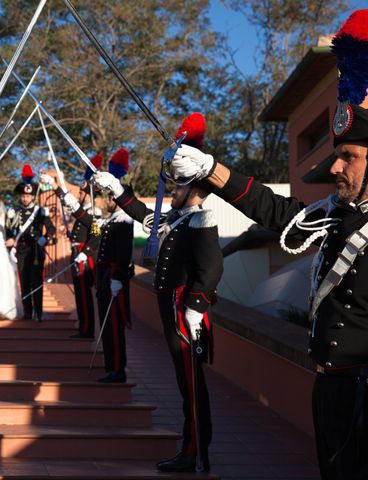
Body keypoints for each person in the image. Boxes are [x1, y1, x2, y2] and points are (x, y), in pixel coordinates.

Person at [168, 11, 368, 478]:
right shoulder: (338, 215)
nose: (336, 168)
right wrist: (211, 170)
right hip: (331, 390)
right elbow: (280, 214)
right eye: (337, 156)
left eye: (349, 157)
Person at [94, 113, 223, 472]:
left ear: (194, 188)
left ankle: (194, 450)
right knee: (186, 385)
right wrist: (117, 190)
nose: (173, 192)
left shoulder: (200, 220)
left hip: (186, 314)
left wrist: (196, 306)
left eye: (178, 187)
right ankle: (192, 447)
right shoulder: (178, 218)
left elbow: (211, 268)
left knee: (192, 387)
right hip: (173, 310)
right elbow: (142, 215)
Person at [64, 149, 134, 383]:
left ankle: (117, 369)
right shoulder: (108, 221)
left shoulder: (123, 220)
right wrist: (73, 205)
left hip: (114, 279)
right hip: (105, 280)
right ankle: (111, 367)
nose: (110, 200)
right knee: (108, 327)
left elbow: (123, 254)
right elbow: (92, 227)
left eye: (113, 198)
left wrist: (119, 277)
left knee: (114, 327)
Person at [41, 155, 103, 339]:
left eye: (83, 193)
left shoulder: (93, 212)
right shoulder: (84, 213)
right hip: (77, 252)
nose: (80, 196)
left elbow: (96, 234)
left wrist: (86, 252)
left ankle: (87, 330)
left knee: (84, 294)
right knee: (80, 294)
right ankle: (84, 327)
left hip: (84, 256)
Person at [6, 165, 56, 322]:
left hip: (35, 251)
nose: (25, 198)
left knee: (36, 283)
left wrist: (44, 238)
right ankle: (28, 312)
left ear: (33, 196)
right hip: (21, 251)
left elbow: (52, 229)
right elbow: (9, 231)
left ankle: (38, 312)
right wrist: (10, 241)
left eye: (28, 196)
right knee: (24, 282)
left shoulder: (40, 211)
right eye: (23, 196)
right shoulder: (15, 212)